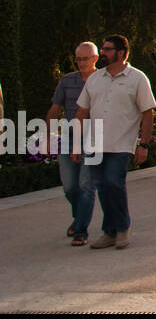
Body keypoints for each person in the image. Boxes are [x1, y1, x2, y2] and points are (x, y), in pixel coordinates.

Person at [72, 34, 156, 250]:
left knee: (113, 182)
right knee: (102, 187)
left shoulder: (137, 78)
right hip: (94, 144)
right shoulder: (95, 79)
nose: (103, 53)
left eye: (108, 49)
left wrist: (143, 144)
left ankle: (122, 228)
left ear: (122, 53)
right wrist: (75, 143)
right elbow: (82, 111)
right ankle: (110, 232)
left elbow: (148, 113)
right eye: (103, 48)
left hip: (121, 144)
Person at [47, 41, 99, 246]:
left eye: (85, 58)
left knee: (86, 184)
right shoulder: (67, 80)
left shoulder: (103, 81)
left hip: (95, 138)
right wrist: (48, 135)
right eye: (78, 59)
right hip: (69, 138)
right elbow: (54, 109)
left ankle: (80, 231)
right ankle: (79, 218)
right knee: (69, 186)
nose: (80, 62)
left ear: (95, 58)